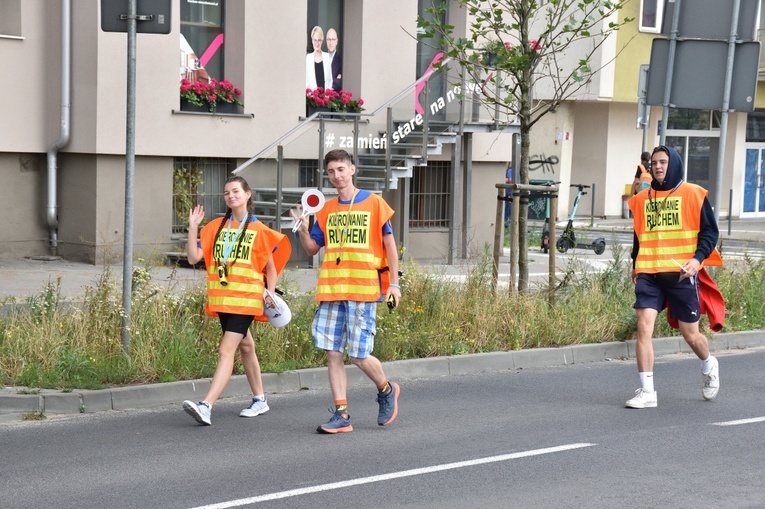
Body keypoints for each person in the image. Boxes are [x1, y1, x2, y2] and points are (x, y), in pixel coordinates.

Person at [291, 149, 402, 434]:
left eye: (341, 169)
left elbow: (389, 244)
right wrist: (303, 229)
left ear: (352, 169)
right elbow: (313, 248)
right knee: (333, 352)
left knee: (359, 355)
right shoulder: (326, 210)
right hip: (331, 289)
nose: (336, 176)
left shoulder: (374, 203)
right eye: (331, 171)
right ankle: (342, 414)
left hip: (363, 290)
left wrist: (394, 284)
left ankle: (387, 389)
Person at [182, 176, 291, 425]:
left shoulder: (259, 230)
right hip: (223, 300)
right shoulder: (214, 228)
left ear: (247, 194)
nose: (231, 196)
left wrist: (270, 294)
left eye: (235, 191)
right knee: (246, 347)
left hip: (246, 300)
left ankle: (206, 405)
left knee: (225, 350)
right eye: (226, 192)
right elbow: (192, 258)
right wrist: (192, 228)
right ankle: (260, 400)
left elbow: (271, 268)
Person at [625, 145, 722, 409]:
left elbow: (710, 234)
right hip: (649, 273)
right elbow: (638, 234)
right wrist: (635, 263)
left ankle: (708, 364)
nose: (658, 166)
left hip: (681, 275)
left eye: (663, 162)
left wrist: (697, 260)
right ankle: (647, 392)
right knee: (644, 328)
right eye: (654, 162)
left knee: (690, 335)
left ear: (674, 163)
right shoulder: (643, 199)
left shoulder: (693, 193)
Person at [306, 26, 332, 91]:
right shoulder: (308, 58)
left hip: (325, 98)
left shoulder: (327, 57)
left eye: (319, 40)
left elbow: (330, 79)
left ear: (322, 41)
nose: (317, 43)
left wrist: (327, 95)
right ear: (312, 40)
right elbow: (305, 80)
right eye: (315, 40)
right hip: (312, 98)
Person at [504, 161, 513, 227]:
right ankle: (506, 222)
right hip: (509, 193)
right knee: (508, 209)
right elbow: (510, 180)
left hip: (512, 193)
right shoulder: (511, 170)